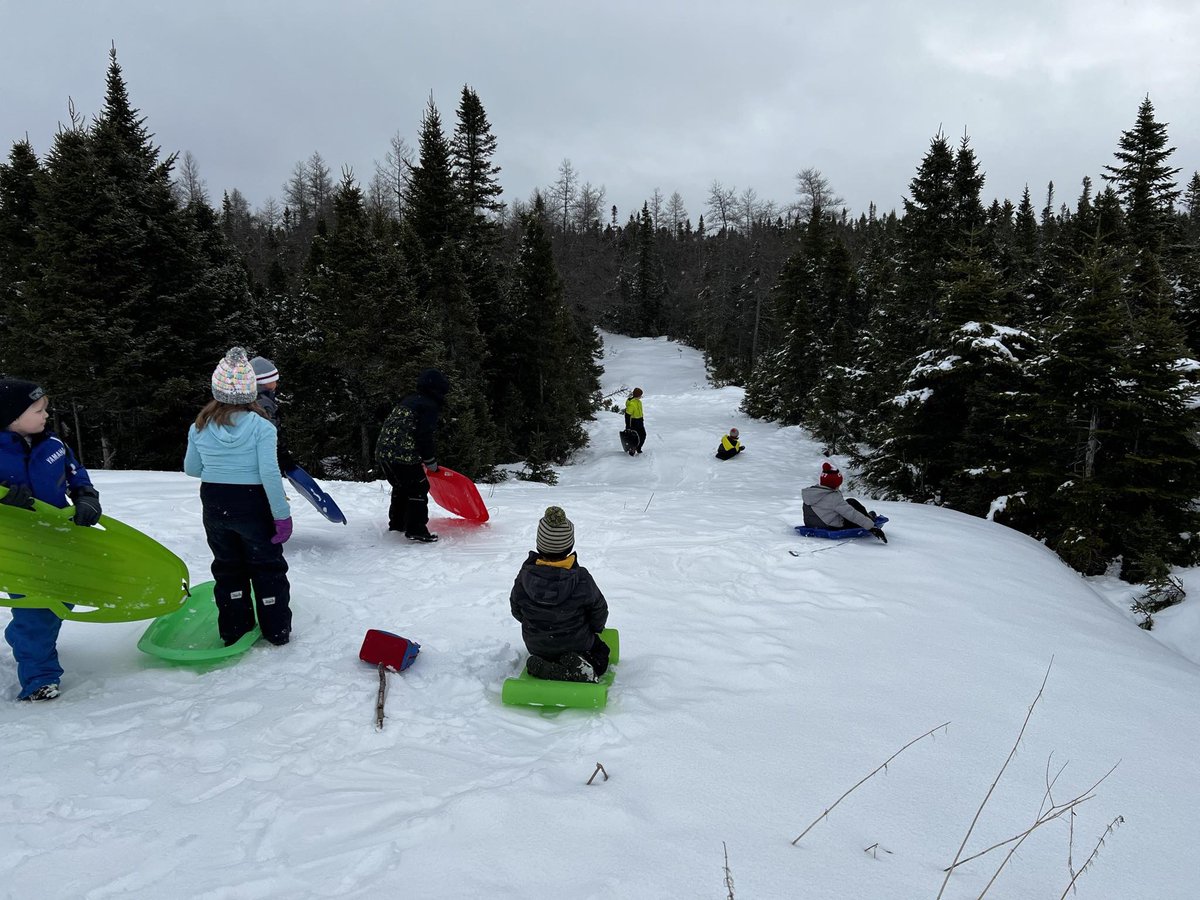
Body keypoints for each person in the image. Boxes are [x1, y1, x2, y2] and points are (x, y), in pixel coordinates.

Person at [0, 378, 102, 701]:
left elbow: (75, 472)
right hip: (18, 547)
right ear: (12, 417)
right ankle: (39, 679)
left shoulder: (54, 444)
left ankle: (22, 636)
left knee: (64, 596)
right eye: (37, 410)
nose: (46, 415)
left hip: (58, 538)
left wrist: (86, 497)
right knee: (37, 612)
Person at [185, 347, 294, 646]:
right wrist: (282, 515)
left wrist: (220, 465)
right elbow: (269, 474)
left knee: (227, 566)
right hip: (252, 503)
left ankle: (234, 629)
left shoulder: (200, 425)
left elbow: (192, 469)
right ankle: (276, 629)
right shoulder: (261, 426)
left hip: (215, 503)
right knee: (267, 566)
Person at [509, 506, 610, 683]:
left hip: (537, 645)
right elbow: (599, 610)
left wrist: (535, 623)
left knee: (546, 654)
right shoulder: (581, 578)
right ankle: (582, 670)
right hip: (577, 644)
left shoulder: (525, 576)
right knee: (602, 652)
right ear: (569, 545)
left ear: (539, 544)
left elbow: (516, 608)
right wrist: (595, 629)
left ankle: (544, 667)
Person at [376, 368, 450, 543]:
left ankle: (397, 523)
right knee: (419, 487)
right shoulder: (429, 405)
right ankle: (416, 529)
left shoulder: (409, 400)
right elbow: (424, 435)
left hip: (383, 452)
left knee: (401, 486)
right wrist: (430, 460)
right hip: (403, 454)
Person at [801, 462, 887, 543]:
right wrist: (872, 527)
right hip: (831, 526)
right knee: (852, 502)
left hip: (812, 524)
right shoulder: (833, 497)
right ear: (834, 484)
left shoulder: (811, 493)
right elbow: (852, 514)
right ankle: (869, 519)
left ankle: (866, 516)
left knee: (847, 504)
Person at [250, 355, 298, 472]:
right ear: (263, 382)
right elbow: (268, 429)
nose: (276, 383)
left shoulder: (256, 398)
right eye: (274, 380)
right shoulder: (262, 402)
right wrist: (280, 452)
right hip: (264, 454)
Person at [624, 387, 646, 454]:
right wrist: (628, 426)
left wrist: (641, 419)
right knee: (634, 438)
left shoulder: (639, 402)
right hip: (633, 423)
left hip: (640, 421)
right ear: (637, 395)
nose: (641, 396)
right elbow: (627, 415)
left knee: (643, 435)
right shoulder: (632, 404)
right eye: (640, 395)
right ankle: (632, 450)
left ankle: (638, 448)